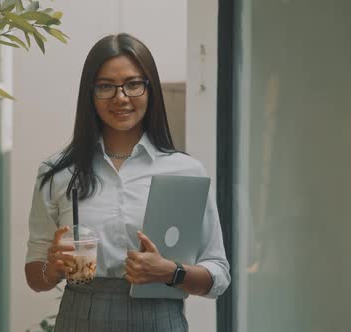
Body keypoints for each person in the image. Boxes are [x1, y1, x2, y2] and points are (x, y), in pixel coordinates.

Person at [24, 33, 230, 332]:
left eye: (133, 84)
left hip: (160, 319)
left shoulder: (186, 170)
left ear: (150, 90)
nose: (121, 97)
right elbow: (35, 277)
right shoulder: (57, 172)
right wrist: (53, 268)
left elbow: (218, 275)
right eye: (106, 86)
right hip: (79, 318)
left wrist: (171, 272)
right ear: (90, 93)